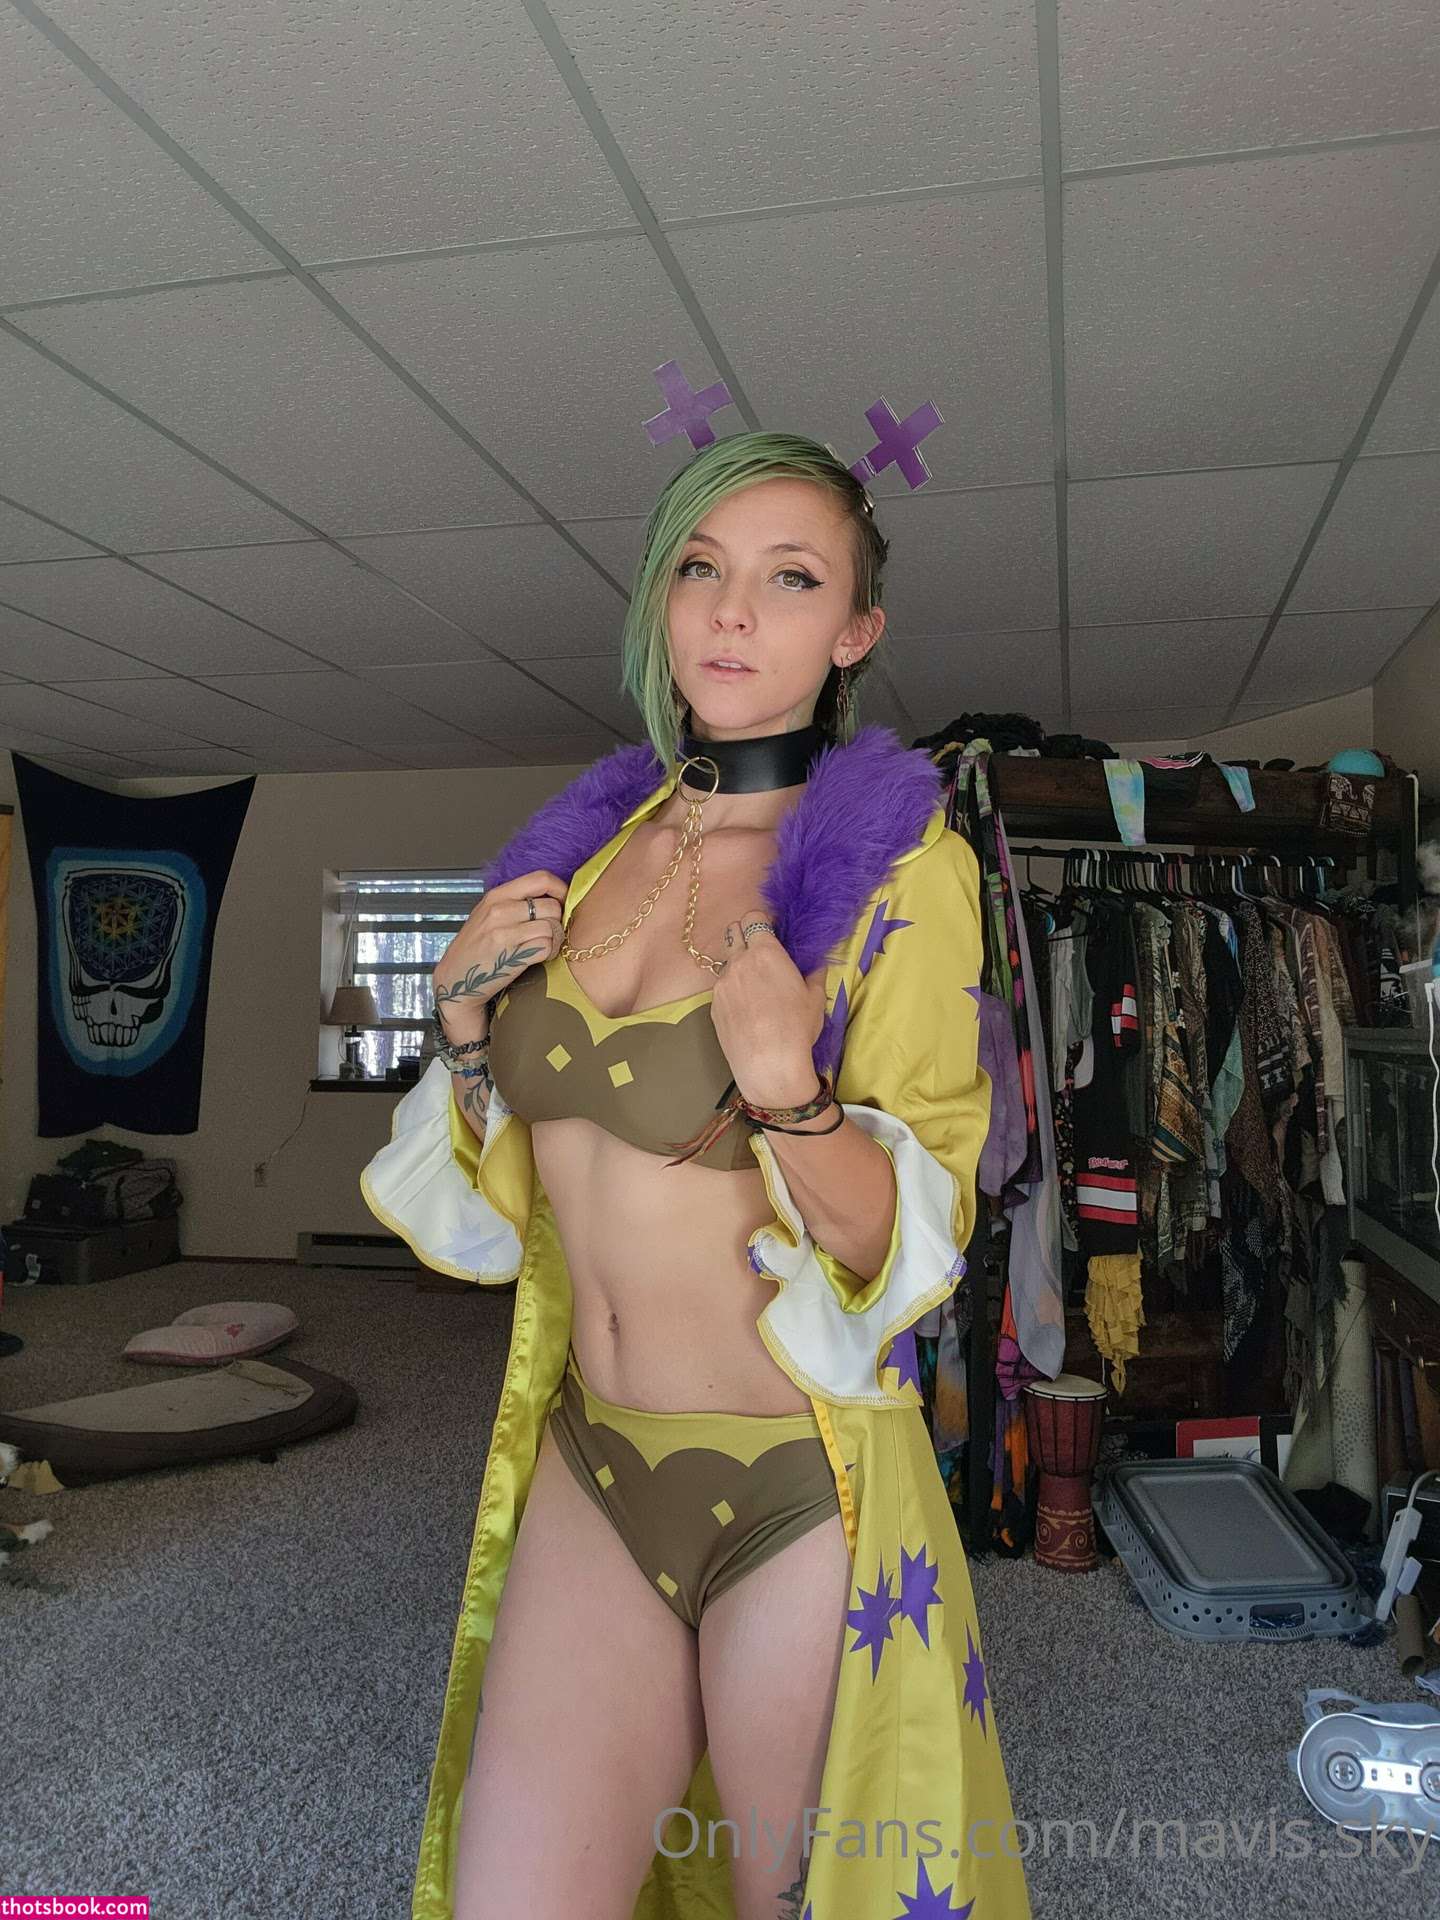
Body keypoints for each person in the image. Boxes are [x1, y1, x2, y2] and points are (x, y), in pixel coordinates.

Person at [361, 431, 1033, 1920]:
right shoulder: (590, 850)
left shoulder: (898, 869)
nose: (733, 611)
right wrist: (463, 1028)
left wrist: (792, 1097)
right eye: (702, 568)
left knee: (789, 1898)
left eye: (791, 578)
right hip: (593, 1460)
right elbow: (507, 1202)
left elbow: (909, 1246)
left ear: (854, 630)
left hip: (798, 1487)